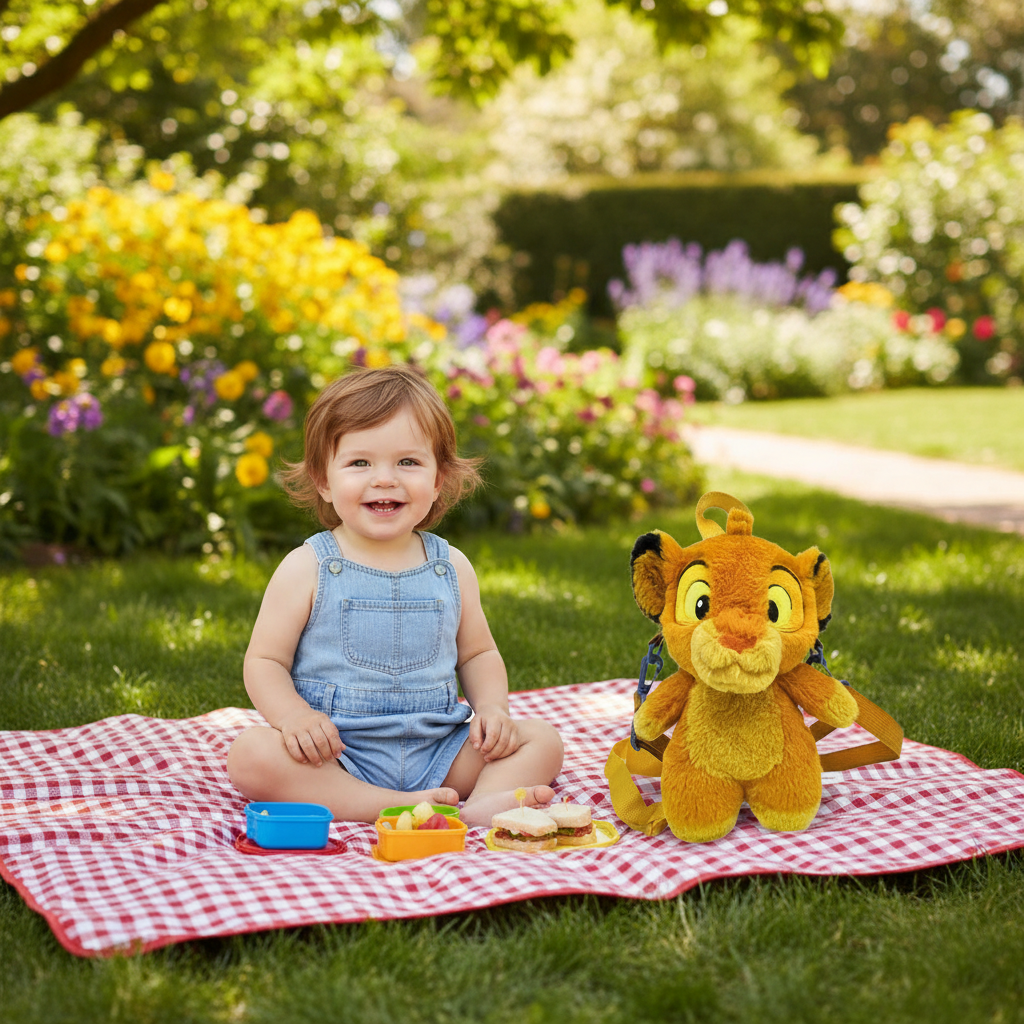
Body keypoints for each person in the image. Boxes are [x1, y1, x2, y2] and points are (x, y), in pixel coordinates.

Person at [227, 364, 563, 826]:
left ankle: (484, 802)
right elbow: (264, 662)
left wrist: (492, 709)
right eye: (360, 463)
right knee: (251, 755)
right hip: (339, 755)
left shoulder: (450, 566)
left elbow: (479, 652)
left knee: (541, 739)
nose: (384, 479)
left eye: (408, 462)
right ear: (324, 479)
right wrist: (294, 719)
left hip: (439, 749)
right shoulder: (308, 566)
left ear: (439, 478)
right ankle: (379, 805)